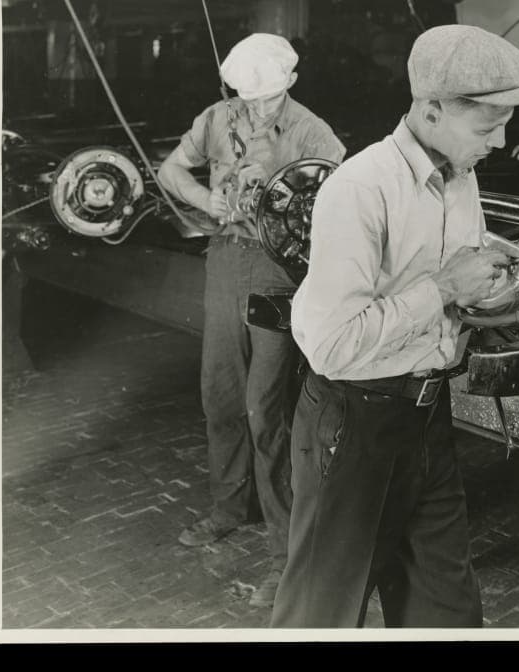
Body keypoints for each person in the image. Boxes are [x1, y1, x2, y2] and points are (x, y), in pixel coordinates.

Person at [271, 24, 519, 628]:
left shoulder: (461, 177)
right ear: (431, 109)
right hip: (354, 423)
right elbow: (333, 346)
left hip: (427, 419)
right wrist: (445, 288)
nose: (501, 141)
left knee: (446, 612)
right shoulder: (360, 189)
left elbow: (464, 287)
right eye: (488, 125)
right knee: (322, 616)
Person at [157, 33, 346, 608]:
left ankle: (283, 549)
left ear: (288, 84)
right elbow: (170, 170)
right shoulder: (218, 117)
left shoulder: (313, 132)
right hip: (224, 262)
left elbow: (346, 202)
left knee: (266, 410)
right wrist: (202, 198)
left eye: (264, 98)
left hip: (279, 273)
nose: (254, 107)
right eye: (245, 97)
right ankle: (226, 509)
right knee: (220, 394)